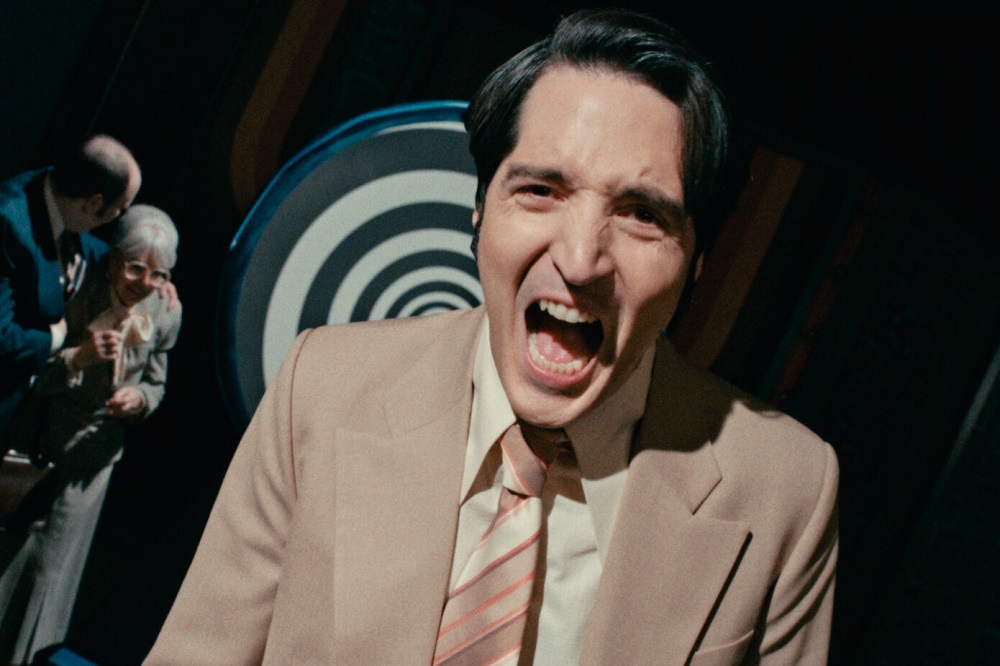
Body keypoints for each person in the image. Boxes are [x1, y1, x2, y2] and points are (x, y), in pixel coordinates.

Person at [148, 9, 838, 665]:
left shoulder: (786, 491)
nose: (580, 260)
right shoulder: (322, 386)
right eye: (541, 190)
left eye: (641, 215)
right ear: (480, 208)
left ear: (698, 265)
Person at [0, 205, 182, 665]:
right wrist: (79, 357)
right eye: (135, 267)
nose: (144, 282)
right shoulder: (77, 289)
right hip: (40, 442)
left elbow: (157, 384)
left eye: (158, 274)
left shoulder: (164, 312)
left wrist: (139, 400)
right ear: (113, 259)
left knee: (52, 573)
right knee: (12, 556)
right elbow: (27, 370)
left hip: (92, 460)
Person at [0, 134, 142, 432]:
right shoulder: (7, 223)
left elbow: (84, 242)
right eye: (120, 209)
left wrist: (148, 272)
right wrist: (53, 339)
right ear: (93, 203)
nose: (119, 217)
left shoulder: (55, 189)